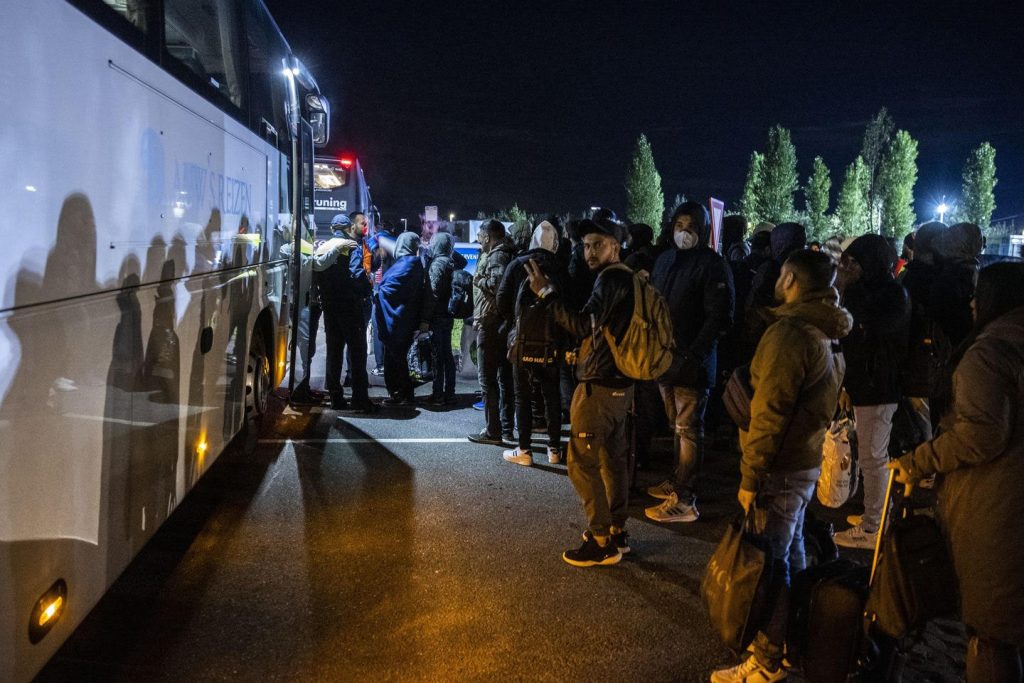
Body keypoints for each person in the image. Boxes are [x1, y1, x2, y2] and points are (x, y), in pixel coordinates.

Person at [711, 249, 852, 683]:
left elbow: (770, 412)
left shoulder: (790, 334)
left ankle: (766, 661)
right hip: (802, 462)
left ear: (790, 277)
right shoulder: (825, 329)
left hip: (780, 467)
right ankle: (790, 644)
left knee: (766, 566)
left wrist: (751, 476)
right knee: (788, 555)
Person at [890, 262, 1024, 683]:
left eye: (977, 292)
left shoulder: (990, 351)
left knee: (991, 630)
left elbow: (981, 435)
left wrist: (917, 461)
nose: (970, 301)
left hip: (998, 508)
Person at [524, 217, 636, 567]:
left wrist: (546, 293)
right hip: (624, 384)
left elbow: (579, 324)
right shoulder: (631, 278)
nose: (589, 252)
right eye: (586, 245)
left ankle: (601, 540)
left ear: (615, 247)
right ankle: (617, 530)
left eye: (597, 245)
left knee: (580, 462)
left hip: (600, 386)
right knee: (613, 461)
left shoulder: (610, 279)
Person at [646, 202, 735, 523]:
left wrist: (694, 355)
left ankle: (686, 498)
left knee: (688, 429)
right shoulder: (666, 259)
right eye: (679, 225)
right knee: (676, 426)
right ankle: (677, 479)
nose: (685, 231)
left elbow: (720, 317)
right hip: (664, 360)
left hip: (692, 364)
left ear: (704, 230)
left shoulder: (713, 265)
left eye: (692, 226)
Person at [833, 234, 910, 549]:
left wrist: (844, 288)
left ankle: (872, 528)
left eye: (853, 261)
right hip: (868, 384)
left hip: (879, 386)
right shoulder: (870, 292)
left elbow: (863, 334)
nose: (846, 267)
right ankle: (876, 515)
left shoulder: (891, 295)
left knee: (872, 457)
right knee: (871, 455)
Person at [496, 219, 567, 465]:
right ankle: (554, 449)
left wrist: (515, 322)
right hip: (551, 342)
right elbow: (567, 306)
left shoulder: (518, 264)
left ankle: (524, 449)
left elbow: (502, 300)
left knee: (522, 395)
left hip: (522, 341)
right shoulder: (560, 266)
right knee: (551, 395)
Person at [312, 214, 377, 412]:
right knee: (357, 353)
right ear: (348, 228)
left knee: (334, 352)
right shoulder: (351, 247)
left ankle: (335, 397)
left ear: (332, 229)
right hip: (350, 305)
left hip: (330, 307)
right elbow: (357, 274)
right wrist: (367, 288)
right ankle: (359, 399)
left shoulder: (323, 248)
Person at [467, 220, 516, 445]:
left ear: (487, 236)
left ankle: (493, 431)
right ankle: (505, 428)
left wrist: (478, 279)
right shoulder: (505, 253)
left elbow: (496, 285)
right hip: (501, 323)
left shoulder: (497, 256)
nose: (478, 238)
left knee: (487, 379)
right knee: (504, 378)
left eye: (480, 234)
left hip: (492, 324)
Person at [375, 232, 427, 406]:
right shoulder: (413, 263)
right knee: (395, 357)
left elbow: (388, 288)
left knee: (396, 358)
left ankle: (402, 394)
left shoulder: (407, 264)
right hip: (403, 317)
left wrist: (378, 291)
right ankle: (399, 393)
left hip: (397, 319)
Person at [425, 232, 463, 405]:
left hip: (437, 315)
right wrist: (449, 249)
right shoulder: (451, 262)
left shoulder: (438, 264)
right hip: (449, 315)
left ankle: (437, 394)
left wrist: (425, 317)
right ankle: (450, 392)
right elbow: (462, 261)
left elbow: (432, 293)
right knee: (447, 356)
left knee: (438, 356)